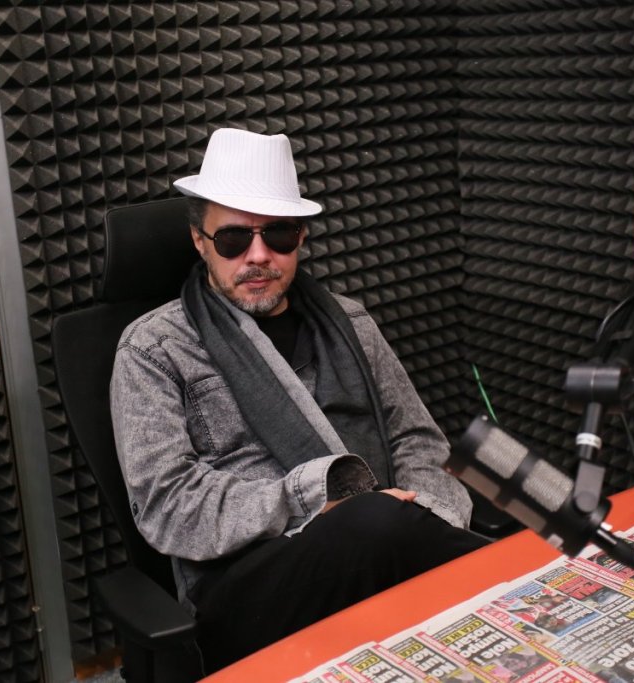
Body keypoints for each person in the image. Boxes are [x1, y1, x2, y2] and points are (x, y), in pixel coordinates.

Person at [110, 127, 487, 672]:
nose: (259, 256)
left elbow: (416, 439)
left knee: (390, 524)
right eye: (234, 239)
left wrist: (429, 515)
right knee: (374, 522)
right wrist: (313, 498)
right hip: (246, 586)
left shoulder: (350, 321)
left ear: (301, 237)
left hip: (386, 538)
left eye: (279, 235)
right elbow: (168, 504)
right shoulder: (154, 348)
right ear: (199, 240)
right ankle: (532, 586)